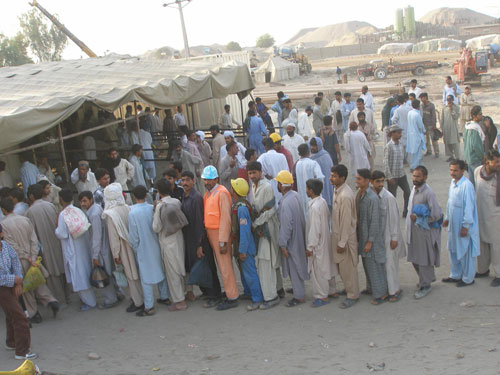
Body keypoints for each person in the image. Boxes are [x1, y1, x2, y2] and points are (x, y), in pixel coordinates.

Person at [1, 198, 59, 322]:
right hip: (32, 258)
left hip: (19, 260)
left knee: (26, 289)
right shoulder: (24, 219)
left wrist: (26, 257)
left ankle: (33, 313)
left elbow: (12, 246)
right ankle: (51, 301)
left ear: (3, 209)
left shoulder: (4, 225)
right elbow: (34, 240)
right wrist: (32, 256)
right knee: (38, 282)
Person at [181, 171, 222, 307]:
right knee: (199, 266)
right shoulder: (185, 196)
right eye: (183, 180)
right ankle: (207, 292)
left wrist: (199, 245)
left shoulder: (196, 198)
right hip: (190, 239)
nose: (185, 183)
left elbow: (200, 222)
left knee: (208, 267)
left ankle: (214, 295)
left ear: (193, 181)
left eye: (187, 180)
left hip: (200, 239)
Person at [201, 166, 239, 310]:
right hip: (212, 233)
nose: (207, 182)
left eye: (209, 180)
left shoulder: (221, 193)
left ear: (216, 179)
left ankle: (232, 296)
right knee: (222, 266)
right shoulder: (208, 194)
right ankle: (230, 292)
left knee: (225, 266)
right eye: (205, 180)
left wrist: (223, 241)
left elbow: (225, 219)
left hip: (219, 234)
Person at [102, 183, 144, 313]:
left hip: (123, 248)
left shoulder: (110, 214)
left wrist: (116, 255)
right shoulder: (127, 207)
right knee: (135, 272)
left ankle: (138, 301)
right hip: (133, 244)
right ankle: (139, 298)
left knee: (130, 275)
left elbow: (114, 238)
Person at [128, 186, 169, 316]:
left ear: (134, 197)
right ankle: (164, 296)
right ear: (146, 195)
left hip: (142, 247)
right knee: (160, 270)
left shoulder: (132, 213)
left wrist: (135, 247)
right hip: (156, 243)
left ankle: (149, 306)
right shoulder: (152, 208)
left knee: (146, 277)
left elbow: (133, 235)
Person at [247, 161, 283, 309]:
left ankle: (271, 297)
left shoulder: (266, 187)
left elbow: (270, 209)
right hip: (260, 229)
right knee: (269, 261)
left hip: (267, 229)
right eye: (250, 173)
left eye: (255, 173)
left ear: (260, 172)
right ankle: (279, 290)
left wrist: (255, 224)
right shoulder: (253, 187)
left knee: (265, 262)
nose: (252, 176)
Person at [25, 184, 69, 305]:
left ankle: (60, 300)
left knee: (52, 274)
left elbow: (32, 234)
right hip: (57, 241)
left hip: (44, 246)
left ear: (31, 196)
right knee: (62, 269)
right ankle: (68, 296)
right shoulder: (50, 206)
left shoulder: (30, 212)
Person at [0, 225, 38, 360]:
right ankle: (22, 351)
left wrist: (18, 280)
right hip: (2, 288)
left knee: (11, 314)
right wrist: (14, 279)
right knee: (20, 317)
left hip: (11, 284)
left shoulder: (5, 246)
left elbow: (15, 261)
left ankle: (11, 342)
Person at [55, 189, 96, 311]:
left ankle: (90, 302)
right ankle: (88, 299)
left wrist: (56, 229)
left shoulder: (63, 215)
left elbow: (62, 234)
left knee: (79, 275)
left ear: (61, 199)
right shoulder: (78, 210)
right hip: (83, 246)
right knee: (85, 271)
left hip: (72, 249)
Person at [406, 166, 443, 299]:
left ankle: (425, 285)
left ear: (425, 177)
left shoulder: (428, 193)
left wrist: (420, 218)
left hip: (424, 232)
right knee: (414, 257)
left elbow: (436, 214)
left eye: (418, 177)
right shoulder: (414, 189)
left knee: (423, 259)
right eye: (414, 176)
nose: (415, 179)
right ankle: (427, 278)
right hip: (414, 231)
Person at [442, 160, 480, 287]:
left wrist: (466, 226)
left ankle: (468, 278)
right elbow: (450, 202)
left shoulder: (467, 186)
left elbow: (469, 208)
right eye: (451, 170)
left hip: (463, 224)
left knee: (466, 251)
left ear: (463, 170)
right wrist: (447, 218)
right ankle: (455, 274)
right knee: (453, 249)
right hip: (453, 223)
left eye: (455, 170)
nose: (452, 173)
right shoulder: (453, 183)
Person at [153, 179, 189, 312]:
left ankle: (179, 301)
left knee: (172, 271)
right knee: (180, 267)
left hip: (167, 240)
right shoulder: (176, 202)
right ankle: (183, 293)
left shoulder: (160, 206)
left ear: (158, 191)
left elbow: (156, 228)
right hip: (178, 237)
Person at [79, 191, 119, 309]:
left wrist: (94, 255)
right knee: (108, 272)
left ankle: (111, 299)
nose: (83, 204)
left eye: (85, 201)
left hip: (101, 248)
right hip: (103, 246)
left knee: (103, 274)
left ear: (91, 199)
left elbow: (96, 235)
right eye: (81, 201)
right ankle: (117, 294)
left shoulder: (94, 214)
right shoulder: (95, 209)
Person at [370, 171, 406, 302]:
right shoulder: (372, 195)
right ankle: (386, 289)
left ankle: (394, 290)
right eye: (377, 181)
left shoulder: (389, 198)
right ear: (371, 182)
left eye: (382, 181)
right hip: (380, 237)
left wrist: (394, 238)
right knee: (383, 264)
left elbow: (394, 220)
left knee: (391, 265)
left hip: (389, 237)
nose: (380, 184)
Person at [275, 170, 308, 307]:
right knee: (298, 264)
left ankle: (299, 296)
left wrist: (282, 244)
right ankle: (297, 288)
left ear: (281, 185)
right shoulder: (295, 196)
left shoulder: (287, 202)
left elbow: (286, 226)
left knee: (294, 266)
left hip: (291, 240)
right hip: (299, 236)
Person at [230, 178, 264, 311]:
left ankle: (257, 298)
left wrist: (242, 250)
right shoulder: (240, 205)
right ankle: (248, 292)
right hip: (241, 245)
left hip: (245, 246)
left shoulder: (242, 209)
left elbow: (244, 231)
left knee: (250, 273)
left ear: (235, 191)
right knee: (244, 272)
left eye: (232, 187)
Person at [355, 169, 387, 305]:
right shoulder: (360, 194)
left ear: (367, 181)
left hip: (371, 239)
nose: (357, 181)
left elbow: (374, 221)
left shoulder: (372, 198)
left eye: (359, 179)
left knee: (375, 265)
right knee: (367, 264)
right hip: (363, 236)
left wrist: (370, 241)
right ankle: (371, 288)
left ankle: (380, 294)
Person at [330, 165, 360, 309]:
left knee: (348, 268)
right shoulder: (336, 190)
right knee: (342, 267)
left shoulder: (346, 196)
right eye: (331, 175)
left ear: (342, 178)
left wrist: (342, 242)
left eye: (334, 176)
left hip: (345, 238)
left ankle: (352, 294)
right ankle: (349, 289)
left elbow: (347, 222)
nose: (331, 178)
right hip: (337, 235)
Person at [305, 179, 337, 308]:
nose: (306, 190)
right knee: (327, 266)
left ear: (311, 191)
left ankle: (322, 296)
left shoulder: (315, 207)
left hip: (318, 243)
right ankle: (332, 291)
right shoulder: (322, 202)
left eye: (307, 188)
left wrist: (310, 246)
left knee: (319, 271)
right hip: (325, 239)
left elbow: (314, 228)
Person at [474, 150, 500, 285]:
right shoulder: (478, 172)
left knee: (497, 246)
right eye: (496, 161)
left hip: (496, 217)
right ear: (487, 162)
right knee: (482, 244)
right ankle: (483, 270)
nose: (498, 164)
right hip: (480, 214)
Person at [257, 138, 289, 207]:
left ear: (265, 147)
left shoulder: (263, 158)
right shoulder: (282, 156)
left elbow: (257, 171)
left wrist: (265, 175)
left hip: (270, 188)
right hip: (282, 187)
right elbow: (287, 173)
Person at [294, 144, 324, 214]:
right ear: (309, 152)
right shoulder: (313, 163)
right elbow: (320, 179)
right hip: (314, 197)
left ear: (299, 154)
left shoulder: (297, 164)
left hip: (302, 197)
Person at [309, 137, 334, 208]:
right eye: (311, 145)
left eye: (314, 146)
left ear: (319, 145)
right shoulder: (311, 158)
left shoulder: (325, 155)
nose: (312, 148)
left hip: (327, 184)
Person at [464, 105, 485, 186]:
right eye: (480, 114)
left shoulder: (468, 126)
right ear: (474, 116)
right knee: (477, 182)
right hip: (475, 159)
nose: (481, 116)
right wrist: (482, 157)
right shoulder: (474, 129)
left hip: (469, 158)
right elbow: (476, 146)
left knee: (472, 180)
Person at [406, 100, 426, 171]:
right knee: (417, 153)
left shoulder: (410, 113)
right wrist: (424, 131)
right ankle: (414, 167)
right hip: (416, 135)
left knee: (413, 152)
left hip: (411, 134)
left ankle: (419, 165)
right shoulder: (417, 115)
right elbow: (420, 126)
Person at [391, 95, 412, 163]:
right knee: (408, 144)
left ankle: (403, 160)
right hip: (409, 129)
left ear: (398, 102)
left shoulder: (398, 110)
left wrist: (397, 127)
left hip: (401, 129)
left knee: (402, 145)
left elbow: (393, 120)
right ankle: (408, 159)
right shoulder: (410, 108)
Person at [440, 95, 461, 162]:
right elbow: (442, 119)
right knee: (447, 143)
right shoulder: (444, 108)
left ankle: (457, 157)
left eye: (450, 100)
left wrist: (452, 109)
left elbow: (456, 117)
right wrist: (442, 128)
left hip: (453, 127)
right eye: (447, 100)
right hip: (446, 128)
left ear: (452, 100)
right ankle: (450, 156)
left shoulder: (456, 107)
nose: (449, 101)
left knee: (455, 143)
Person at [419, 93, 439, 158]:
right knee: (426, 139)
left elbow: (434, 116)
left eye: (422, 98)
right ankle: (429, 151)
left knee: (433, 139)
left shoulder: (431, 105)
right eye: (421, 98)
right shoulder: (421, 106)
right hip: (424, 125)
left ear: (425, 97)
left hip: (431, 125)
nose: (421, 99)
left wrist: (434, 125)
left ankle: (436, 152)